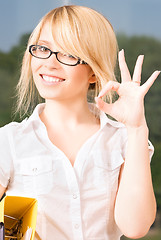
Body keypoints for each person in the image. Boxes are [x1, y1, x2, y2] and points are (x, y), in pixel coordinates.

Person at [0, 5, 160, 240]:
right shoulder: (10, 141)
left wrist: (136, 128)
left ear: (93, 72)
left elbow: (135, 227)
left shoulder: (124, 140)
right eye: (43, 48)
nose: (50, 63)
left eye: (68, 54)